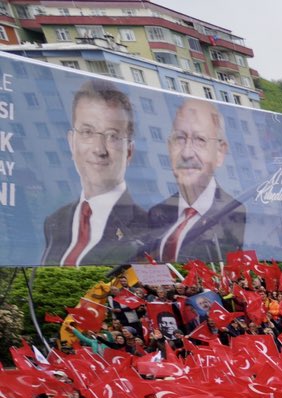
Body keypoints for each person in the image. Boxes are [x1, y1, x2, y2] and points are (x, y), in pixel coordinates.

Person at [44, 83, 150, 266]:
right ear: (72, 143)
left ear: (129, 152)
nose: (99, 149)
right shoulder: (55, 222)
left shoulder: (149, 229)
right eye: (87, 132)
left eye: (112, 136)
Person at [147, 98, 245, 261]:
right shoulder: (156, 213)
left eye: (200, 140)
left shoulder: (238, 215)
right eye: (179, 138)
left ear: (220, 152)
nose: (187, 153)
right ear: (169, 147)